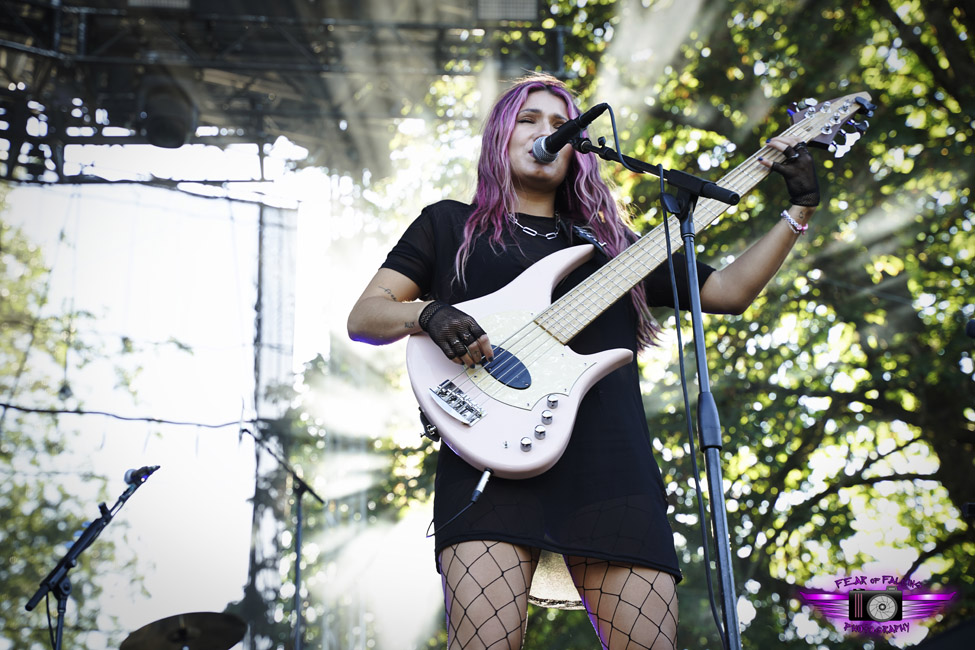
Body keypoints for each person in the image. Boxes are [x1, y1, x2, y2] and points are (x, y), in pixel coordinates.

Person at [347, 73, 820, 650]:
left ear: (578, 150)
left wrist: (798, 209)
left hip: (612, 466)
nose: (546, 132)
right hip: (487, 457)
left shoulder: (614, 247)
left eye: (559, 124)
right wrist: (429, 314)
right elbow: (366, 315)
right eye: (528, 120)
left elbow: (726, 291)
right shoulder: (449, 224)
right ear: (499, 137)